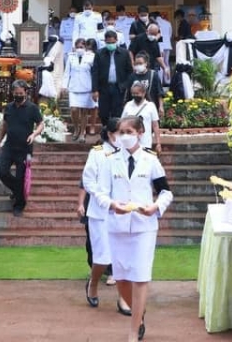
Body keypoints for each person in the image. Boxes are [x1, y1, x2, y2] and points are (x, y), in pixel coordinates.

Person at [96, 115, 173, 342]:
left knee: (140, 276)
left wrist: (156, 207)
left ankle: (133, 329)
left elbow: (166, 192)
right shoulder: (110, 160)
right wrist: (112, 205)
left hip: (143, 227)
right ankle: (139, 314)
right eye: (121, 132)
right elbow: (100, 193)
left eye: (129, 132)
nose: (125, 136)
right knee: (121, 279)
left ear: (140, 133)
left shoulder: (150, 160)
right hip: (117, 226)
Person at [81, 118, 130, 314]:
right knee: (103, 256)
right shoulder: (97, 153)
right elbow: (88, 181)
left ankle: (124, 298)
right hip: (101, 213)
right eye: (120, 132)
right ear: (110, 134)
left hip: (124, 212)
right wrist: (105, 200)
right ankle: (93, 283)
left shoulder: (130, 153)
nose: (124, 136)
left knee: (123, 257)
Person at [0, 81, 44, 214]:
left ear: (25, 93)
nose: (18, 95)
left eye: (20, 93)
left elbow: (41, 124)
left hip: (24, 148)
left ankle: (19, 206)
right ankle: (17, 190)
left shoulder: (32, 108)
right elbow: (5, 125)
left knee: (21, 177)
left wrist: (34, 134)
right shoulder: (9, 107)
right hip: (9, 146)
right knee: (1, 171)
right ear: (13, 93)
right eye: (16, 93)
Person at [91, 30, 134, 126]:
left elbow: (129, 71)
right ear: (105, 42)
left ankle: (115, 130)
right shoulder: (99, 53)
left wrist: (126, 85)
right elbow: (95, 72)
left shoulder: (124, 53)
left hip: (119, 87)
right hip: (104, 87)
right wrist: (94, 90)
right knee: (103, 112)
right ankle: (105, 129)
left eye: (112, 42)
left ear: (116, 41)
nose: (110, 44)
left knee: (117, 112)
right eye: (108, 43)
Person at [62, 38, 94, 141]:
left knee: (84, 111)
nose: (79, 49)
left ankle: (82, 133)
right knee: (74, 109)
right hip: (74, 87)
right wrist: (64, 86)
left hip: (86, 87)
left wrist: (95, 88)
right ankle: (76, 128)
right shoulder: (71, 57)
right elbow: (67, 72)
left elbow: (94, 73)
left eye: (81, 47)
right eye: (77, 47)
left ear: (85, 47)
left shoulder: (91, 57)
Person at [122, 82, 162, 153]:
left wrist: (158, 143)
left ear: (143, 93)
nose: (135, 95)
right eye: (133, 93)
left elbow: (155, 126)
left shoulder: (150, 106)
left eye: (137, 93)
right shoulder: (128, 105)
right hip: (129, 143)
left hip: (145, 143)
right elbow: (122, 123)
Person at [125, 52, 164, 117]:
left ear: (146, 63)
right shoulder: (132, 77)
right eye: (136, 64)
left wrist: (161, 106)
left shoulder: (153, 75)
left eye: (140, 63)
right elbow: (128, 94)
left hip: (150, 108)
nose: (138, 65)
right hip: (135, 109)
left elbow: (159, 93)